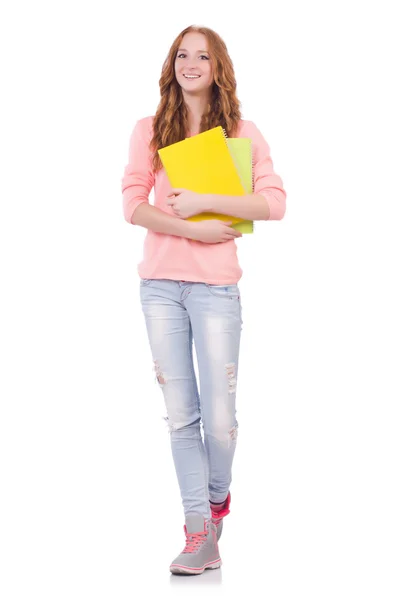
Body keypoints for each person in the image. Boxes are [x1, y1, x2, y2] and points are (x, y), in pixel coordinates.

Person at [121, 24, 286, 575]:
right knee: (179, 416)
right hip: (160, 288)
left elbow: (274, 203)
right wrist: (190, 228)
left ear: (219, 69)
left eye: (203, 56)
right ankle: (199, 532)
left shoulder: (242, 132)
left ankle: (217, 504)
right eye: (182, 55)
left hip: (217, 289)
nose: (191, 63)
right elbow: (131, 205)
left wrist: (206, 203)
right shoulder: (149, 129)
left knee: (220, 419)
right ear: (172, 64)